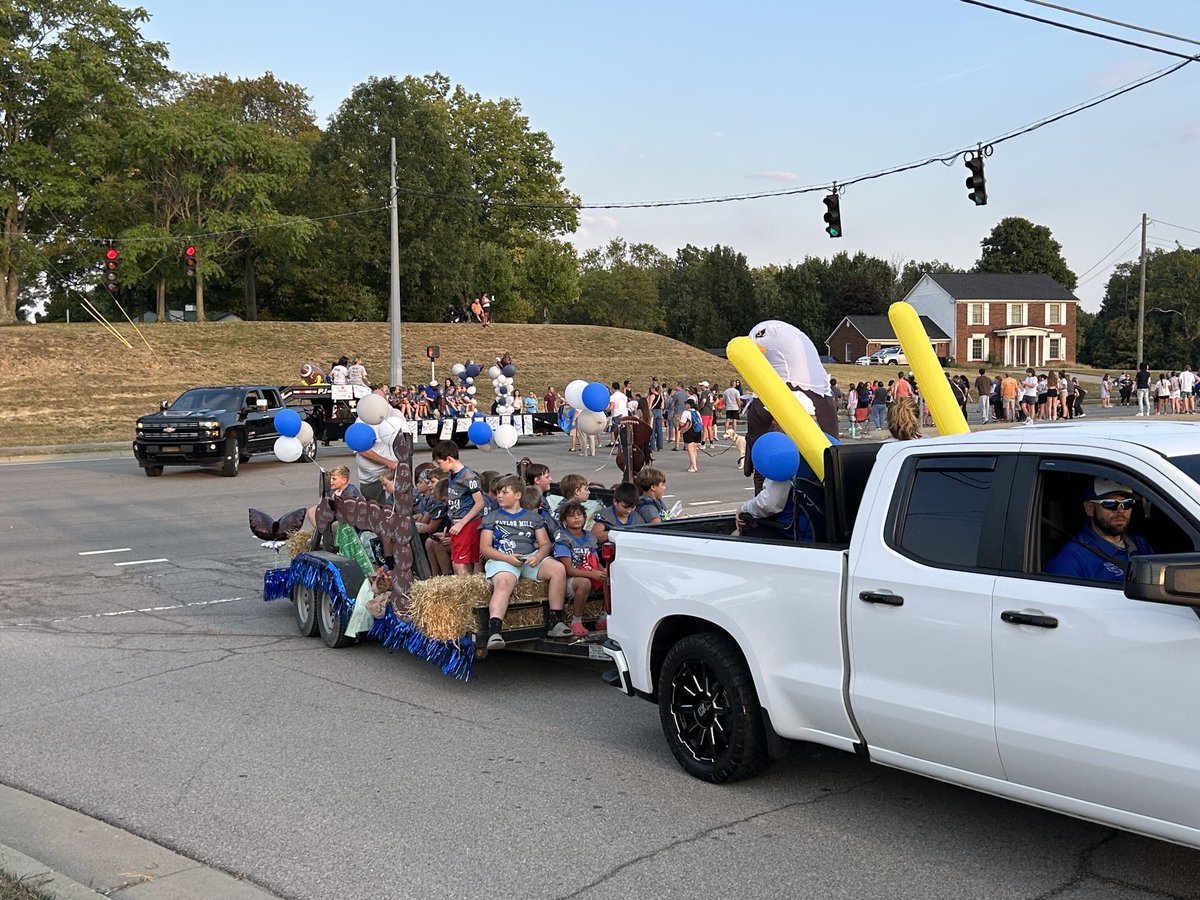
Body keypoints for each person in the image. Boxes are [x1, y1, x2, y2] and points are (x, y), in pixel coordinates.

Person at [479, 475, 570, 649]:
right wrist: (507, 558)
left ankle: (555, 622)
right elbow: (485, 548)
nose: (499, 496)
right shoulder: (492, 517)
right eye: (498, 492)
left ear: (518, 495)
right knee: (504, 582)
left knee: (558, 569)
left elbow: (545, 544)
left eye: (504, 492)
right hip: (502, 558)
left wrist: (538, 556)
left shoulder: (534, 518)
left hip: (529, 558)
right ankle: (495, 631)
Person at [1046, 478, 1153, 582]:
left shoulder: (1139, 544)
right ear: (1090, 508)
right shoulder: (1071, 559)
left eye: (1128, 503)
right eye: (1110, 503)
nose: (1121, 510)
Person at [552, 500, 607, 636]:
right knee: (584, 582)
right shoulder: (563, 539)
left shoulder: (589, 537)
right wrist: (593, 574)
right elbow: (569, 569)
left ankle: (604, 617)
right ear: (564, 520)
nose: (576, 518)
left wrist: (602, 571)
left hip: (590, 572)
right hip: (571, 580)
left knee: (611, 578)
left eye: (579, 515)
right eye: (571, 516)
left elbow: (595, 560)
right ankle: (576, 621)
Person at [433, 440, 485, 575]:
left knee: (460, 562)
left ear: (449, 459)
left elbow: (479, 503)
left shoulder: (468, 476)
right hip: (457, 522)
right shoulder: (452, 475)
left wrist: (461, 523)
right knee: (458, 561)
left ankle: (467, 591)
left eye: (439, 462)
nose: (439, 466)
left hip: (467, 523)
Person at [304, 465, 361, 529]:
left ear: (344, 480)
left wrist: (337, 499)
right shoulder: (335, 490)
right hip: (337, 515)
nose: (331, 481)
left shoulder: (350, 493)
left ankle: (328, 535)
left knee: (334, 523)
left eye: (334, 479)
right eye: (330, 478)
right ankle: (322, 534)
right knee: (312, 511)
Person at [679, 398, 702, 473]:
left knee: (690, 449)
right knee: (694, 449)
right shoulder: (697, 412)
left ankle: (694, 466)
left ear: (689, 405)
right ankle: (692, 465)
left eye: (686, 404)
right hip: (697, 431)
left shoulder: (685, 412)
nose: (685, 405)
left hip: (689, 431)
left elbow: (682, 423)